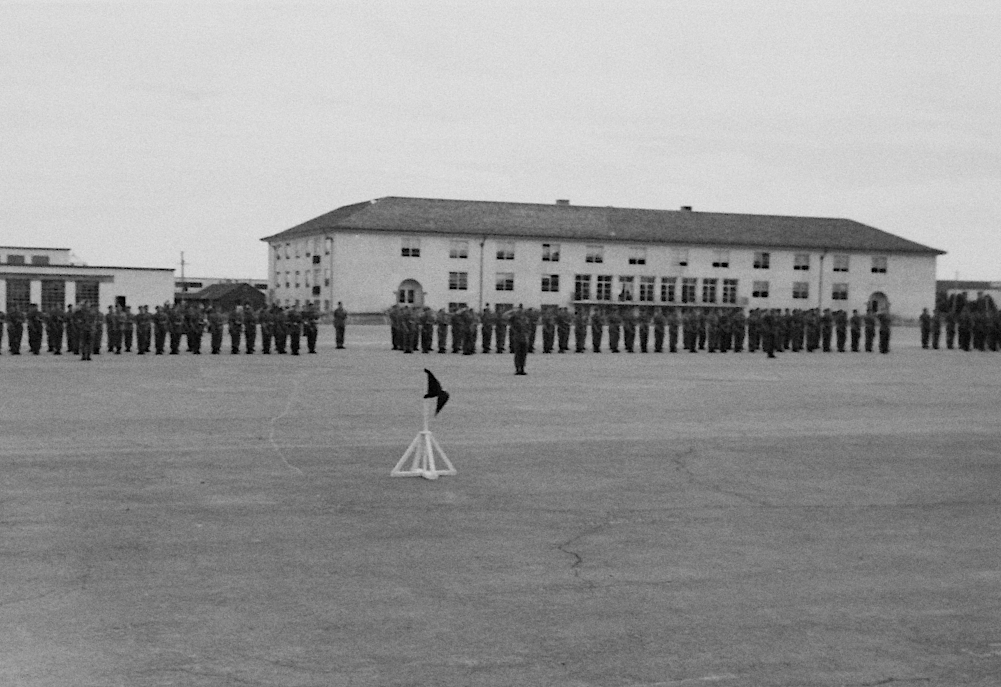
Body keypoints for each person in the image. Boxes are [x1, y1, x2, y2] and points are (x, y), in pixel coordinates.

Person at [508, 304, 529, 375]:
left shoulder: (525, 319)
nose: (521, 311)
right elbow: (506, 318)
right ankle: (517, 369)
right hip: (517, 338)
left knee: (523, 354)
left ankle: (522, 368)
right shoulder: (514, 319)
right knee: (518, 354)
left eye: (521, 310)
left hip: (525, 338)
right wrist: (512, 312)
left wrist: (527, 335)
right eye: (519, 310)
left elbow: (528, 328)